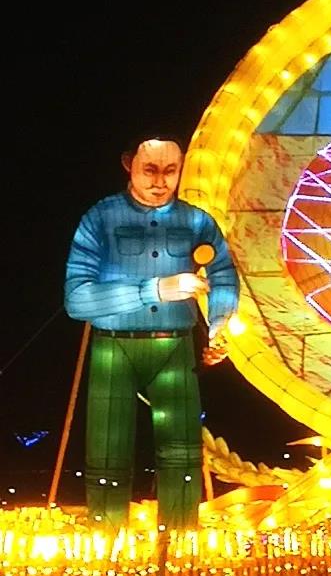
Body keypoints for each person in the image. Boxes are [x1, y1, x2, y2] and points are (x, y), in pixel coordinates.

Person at [64, 138, 239, 531]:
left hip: (176, 348)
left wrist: (219, 327)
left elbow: (224, 274)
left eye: (170, 171)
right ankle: (107, 541)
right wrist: (155, 289)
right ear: (128, 164)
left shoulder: (197, 222)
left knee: (183, 455)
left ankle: (182, 542)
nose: (160, 182)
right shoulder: (101, 219)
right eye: (150, 170)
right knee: (106, 454)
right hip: (113, 349)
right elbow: (77, 299)